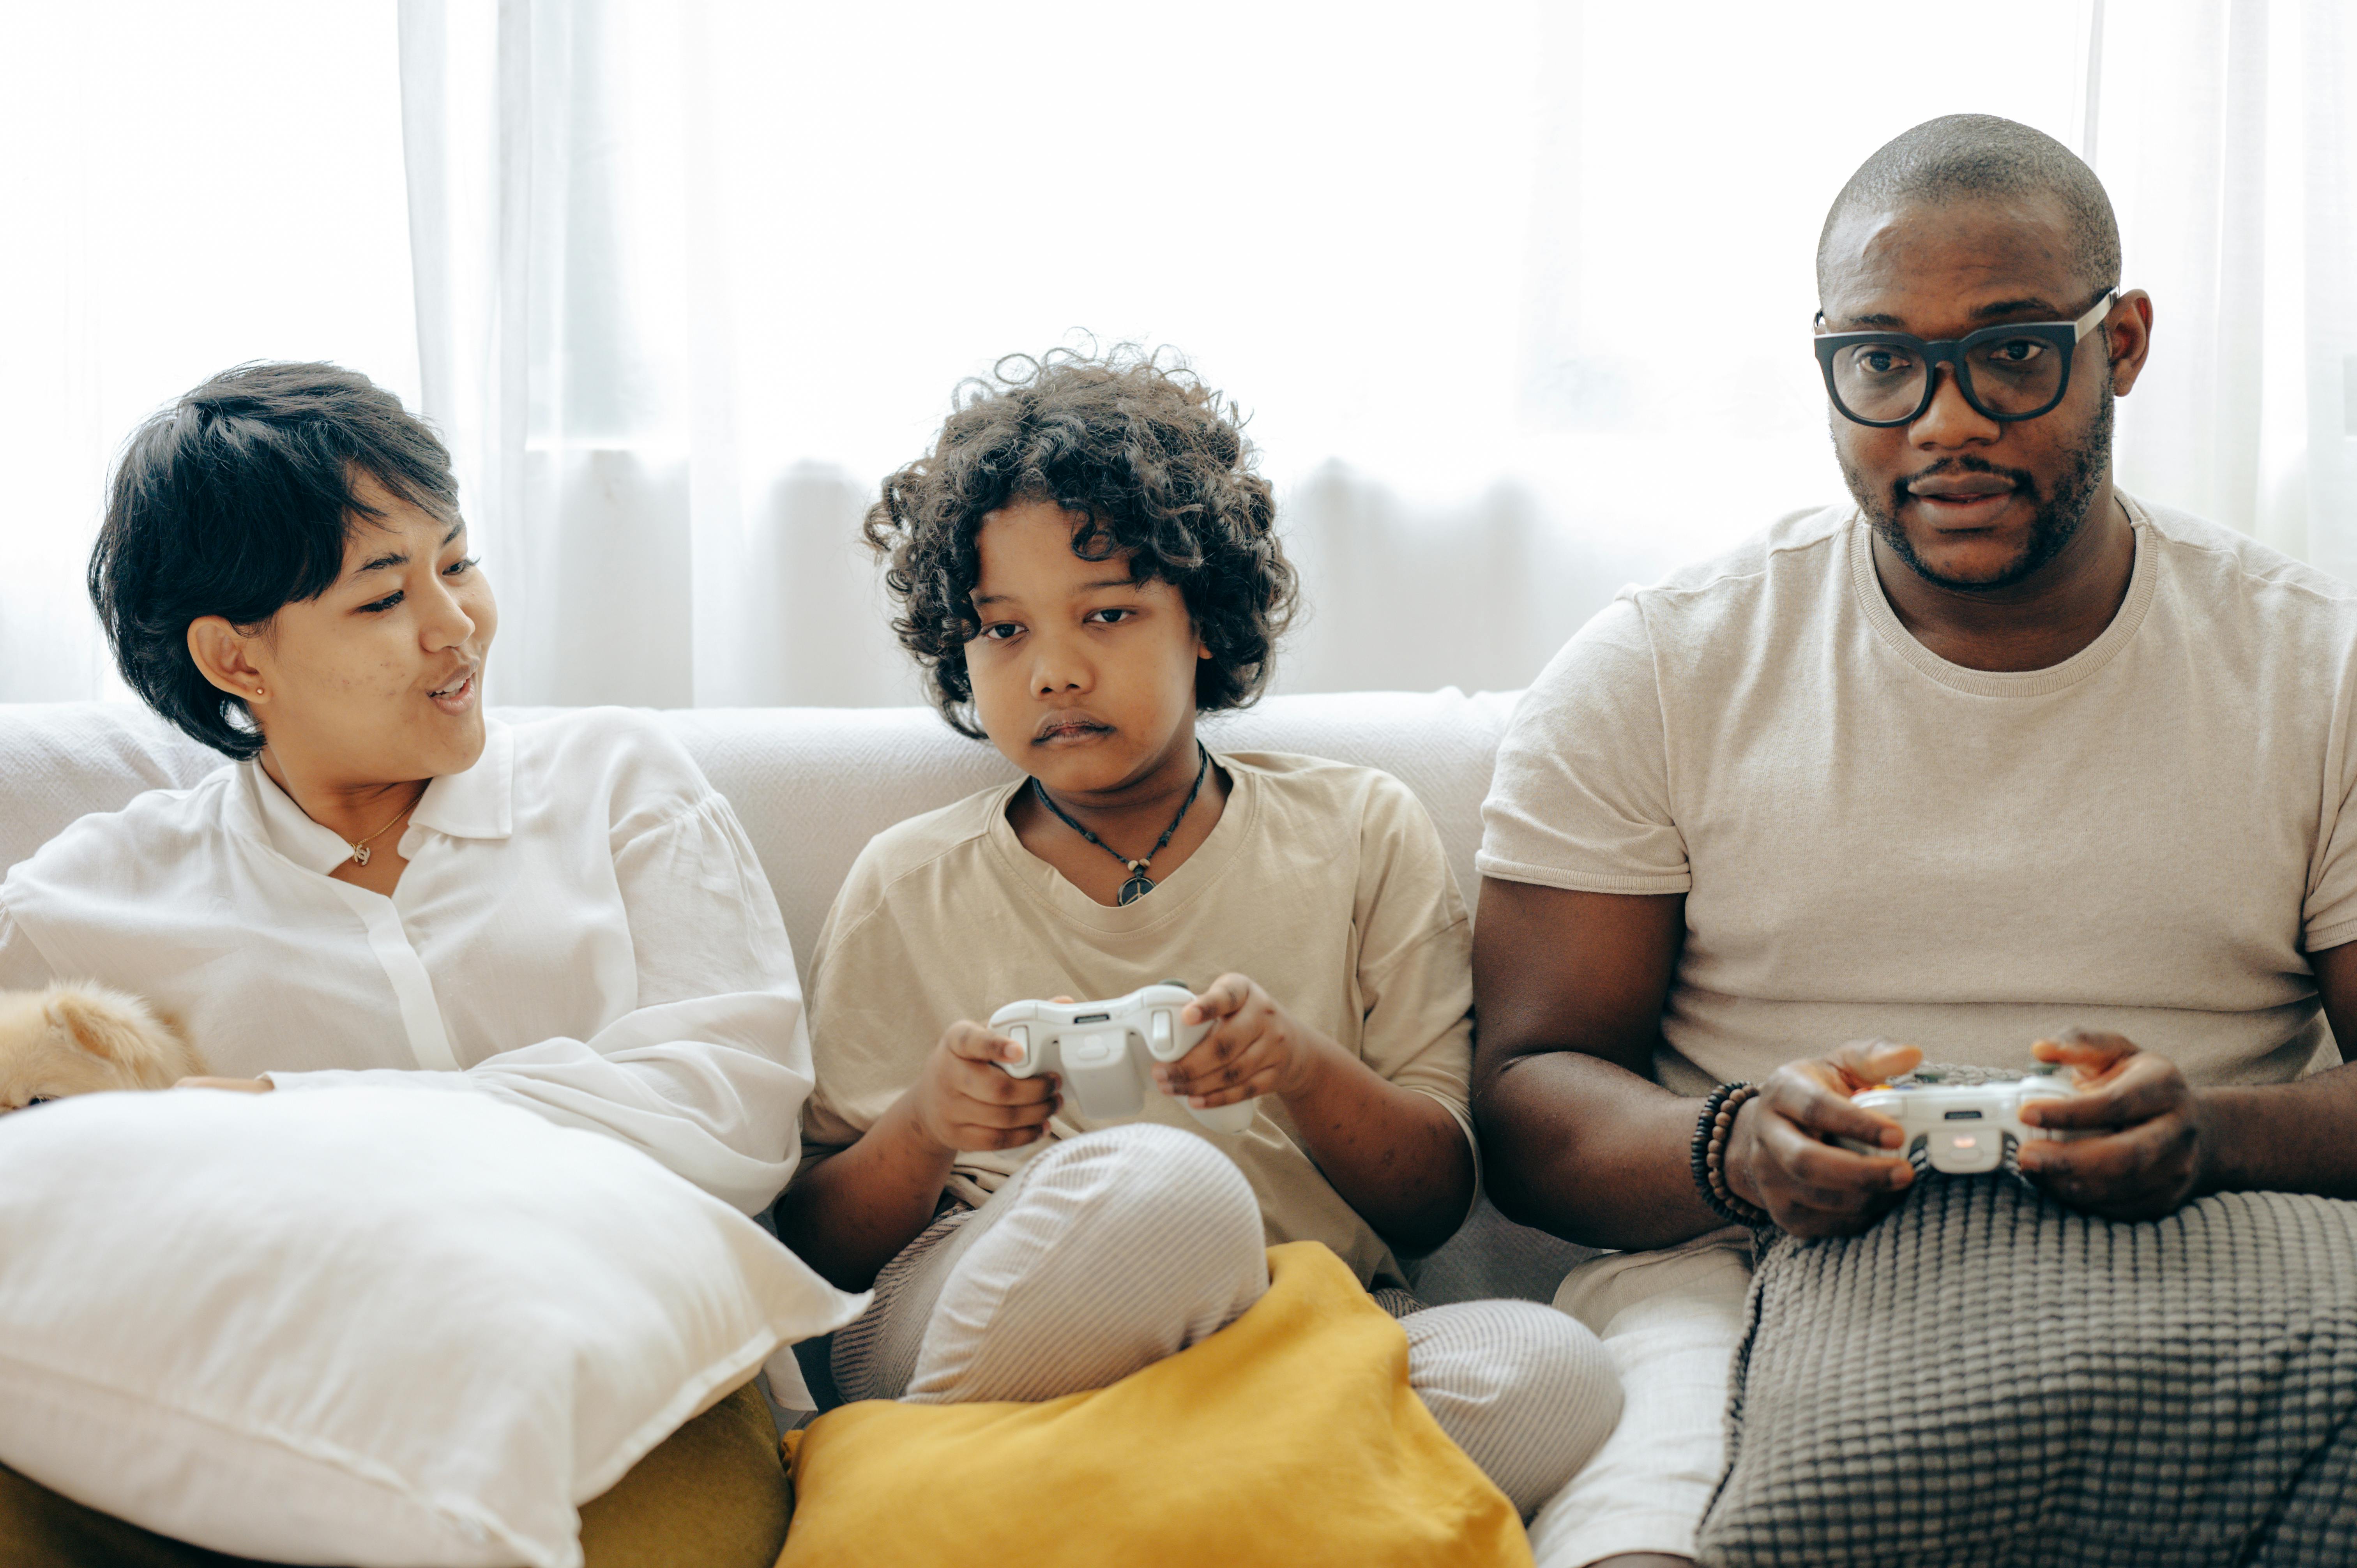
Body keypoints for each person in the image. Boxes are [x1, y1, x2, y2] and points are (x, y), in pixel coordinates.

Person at [1471, 113, 2357, 1568]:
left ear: (2121, 344)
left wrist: (2216, 1132)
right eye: (1882, 362)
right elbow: (1522, 1097)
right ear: (1824, 360)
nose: (1945, 421)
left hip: (2210, 1243)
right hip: (1752, 1262)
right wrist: (1736, 1144)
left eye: (2014, 352)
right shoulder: (1660, 666)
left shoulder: (2315, 670)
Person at [773, 347, 1622, 1518]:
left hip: (1292, 1329)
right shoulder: (910, 880)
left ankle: (1002, 1510)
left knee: (1551, 1373)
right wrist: (927, 1125)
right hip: (978, 1307)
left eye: (1107, 614)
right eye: (1004, 632)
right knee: (1167, 1195)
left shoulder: (1358, 830)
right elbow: (820, 1248)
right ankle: (1020, 1495)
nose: (1056, 671)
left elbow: (1433, 1205)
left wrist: (1297, 1068)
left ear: (1205, 627)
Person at [0, 362, 823, 1566]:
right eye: (385, 597)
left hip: (638, 1399)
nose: (458, 626)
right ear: (238, 662)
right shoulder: (81, 909)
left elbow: (732, 1118)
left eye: (460, 561)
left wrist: (284, 1109)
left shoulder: (617, 784)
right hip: (260, 1432)